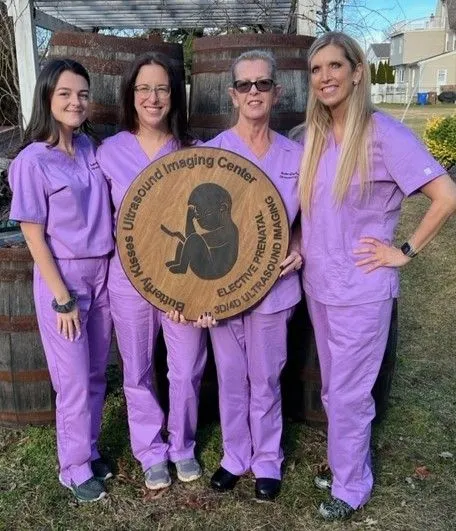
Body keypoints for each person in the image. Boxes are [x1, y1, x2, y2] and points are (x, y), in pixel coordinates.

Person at [296, 31, 456, 520]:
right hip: (320, 287)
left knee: (348, 391)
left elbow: (447, 196)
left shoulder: (383, 133)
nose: (325, 77)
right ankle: (347, 463)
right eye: (317, 69)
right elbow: (312, 209)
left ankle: (350, 487)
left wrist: (402, 251)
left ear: (357, 71)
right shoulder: (316, 137)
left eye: (334, 66)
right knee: (332, 387)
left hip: (362, 290)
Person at [96, 52, 206, 490]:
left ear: (174, 96)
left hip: (183, 280)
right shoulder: (108, 154)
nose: (153, 97)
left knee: (186, 367)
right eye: (143, 88)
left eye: (162, 88)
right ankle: (149, 450)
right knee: (137, 369)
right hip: (129, 280)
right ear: (131, 95)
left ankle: (182, 445)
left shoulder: (195, 153)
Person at [198, 50, 303, 501]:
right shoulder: (208, 156)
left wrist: (298, 245)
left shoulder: (298, 156)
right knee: (230, 376)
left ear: (276, 93)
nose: (254, 92)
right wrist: (194, 293)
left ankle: (267, 461)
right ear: (233, 94)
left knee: (265, 379)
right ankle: (234, 457)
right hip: (222, 291)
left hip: (275, 291)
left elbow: (309, 218)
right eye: (245, 85)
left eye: (263, 84)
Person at [8, 59, 114, 503]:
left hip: (103, 271)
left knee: (94, 375)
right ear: (48, 98)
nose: (76, 102)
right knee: (70, 380)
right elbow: (33, 234)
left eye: (83, 94)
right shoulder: (32, 160)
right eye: (66, 94)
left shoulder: (91, 147)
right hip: (64, 279)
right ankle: (72, 468)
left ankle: (87, 450)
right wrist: (62, 298)